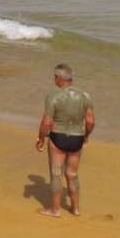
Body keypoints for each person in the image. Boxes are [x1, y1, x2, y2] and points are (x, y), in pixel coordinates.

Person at [35, 63, 94, 217]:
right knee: (72, 174)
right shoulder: (85, 96)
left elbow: (47, 122)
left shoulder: (54, 96)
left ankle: (55, 210)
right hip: (77, 139)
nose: (54, 79)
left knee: (56, 173)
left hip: (58, 138)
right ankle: (75, 209)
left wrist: (41, 138)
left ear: (59, 78)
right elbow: (90, 122)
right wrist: (86, 136)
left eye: (55, 77)